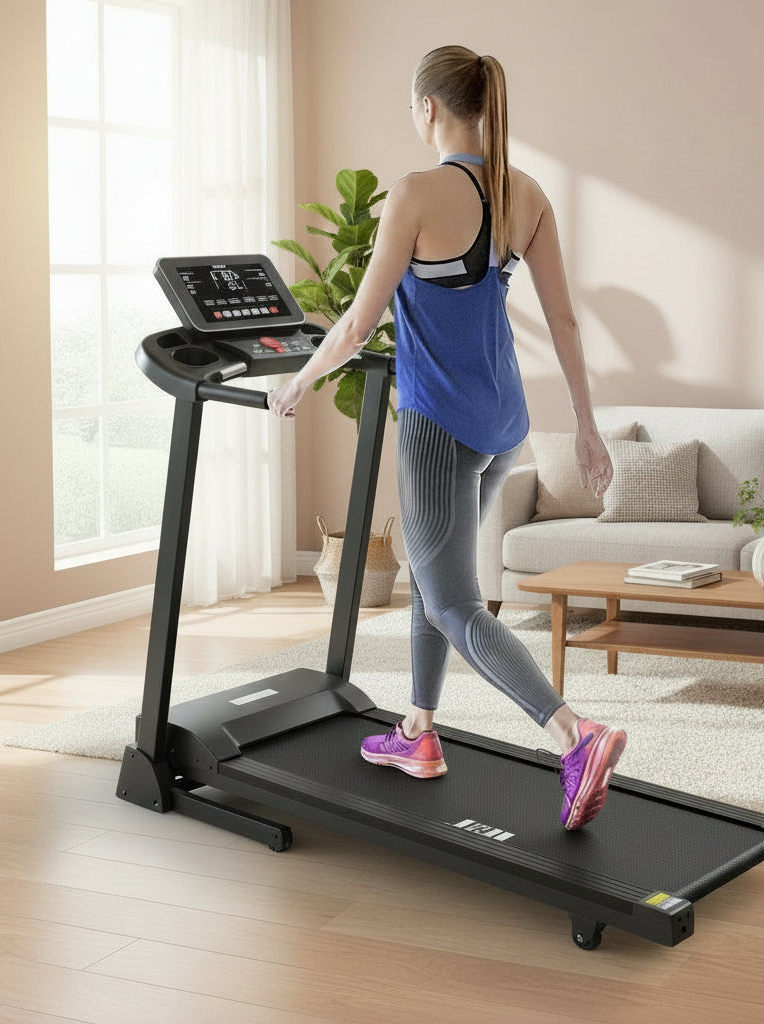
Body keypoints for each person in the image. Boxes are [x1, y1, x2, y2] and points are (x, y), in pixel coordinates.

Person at [268, 45, 626, 830]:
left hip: (440, 427)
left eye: (411, 105)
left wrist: (297, 382)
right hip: (505, 425)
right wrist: (588, 429)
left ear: (429, 108)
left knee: (454, 603)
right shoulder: (524, 192)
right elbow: (565, 321)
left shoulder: (415, 194)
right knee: (435, 582)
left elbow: (357, 323)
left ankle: (575, 735)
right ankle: (417, 731)